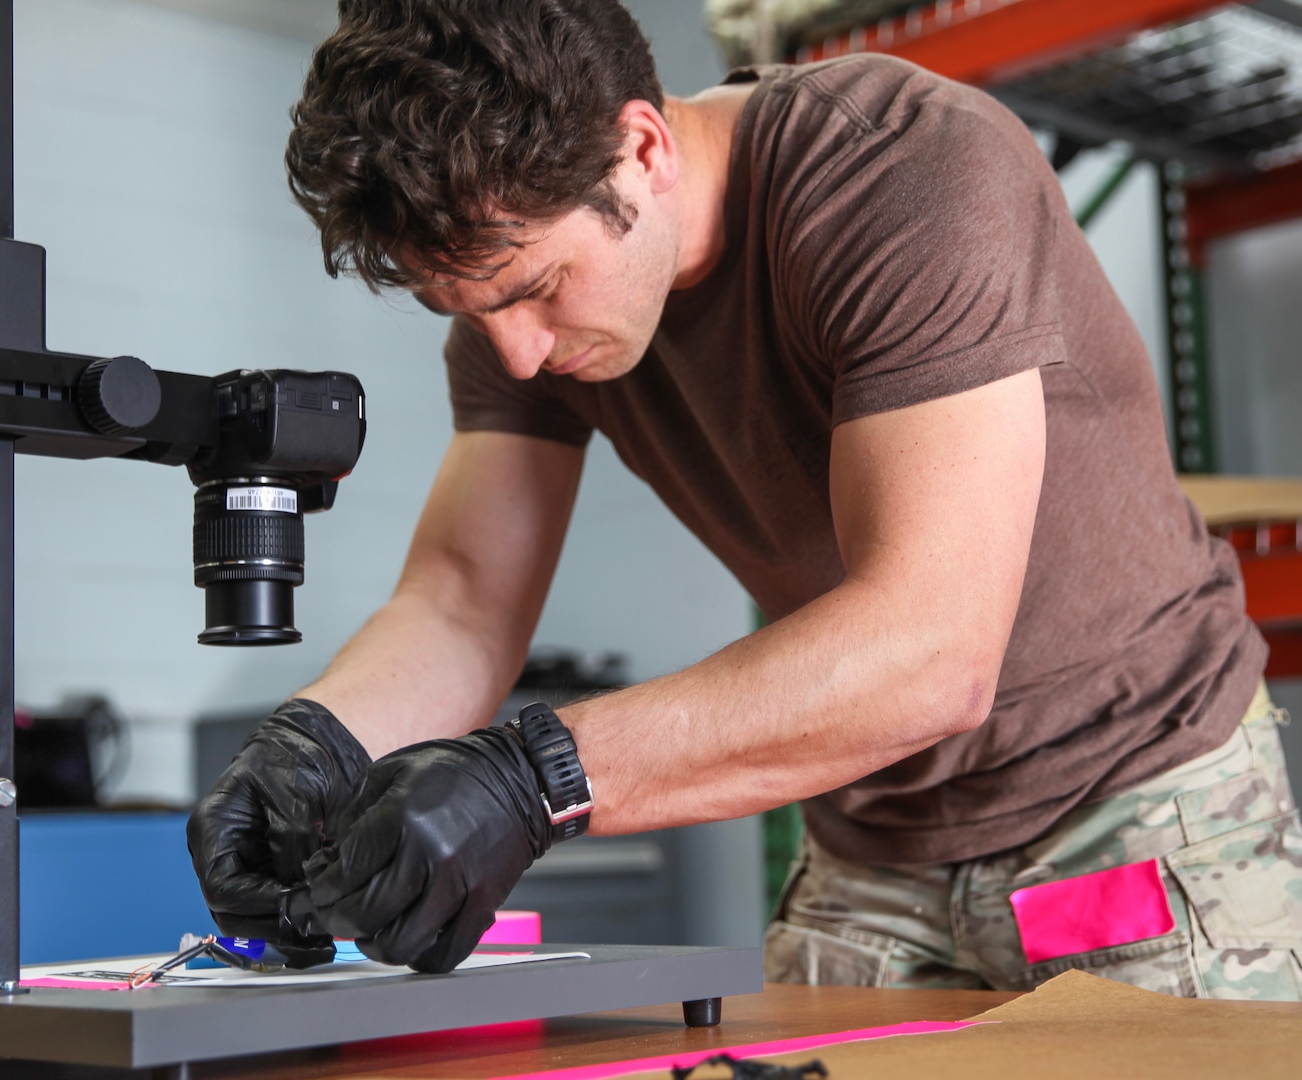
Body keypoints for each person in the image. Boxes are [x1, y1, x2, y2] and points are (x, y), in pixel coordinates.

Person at [188, 0, 1302, 998]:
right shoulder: (511, 323)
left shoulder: (901, 171)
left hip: (1135, 805)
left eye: (532, 290)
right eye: (469, 310)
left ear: (643, 147)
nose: (514, 354)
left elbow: (931, 650)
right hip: (873, 842)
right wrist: (317, 747)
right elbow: (464, 603)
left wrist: (538, 776)